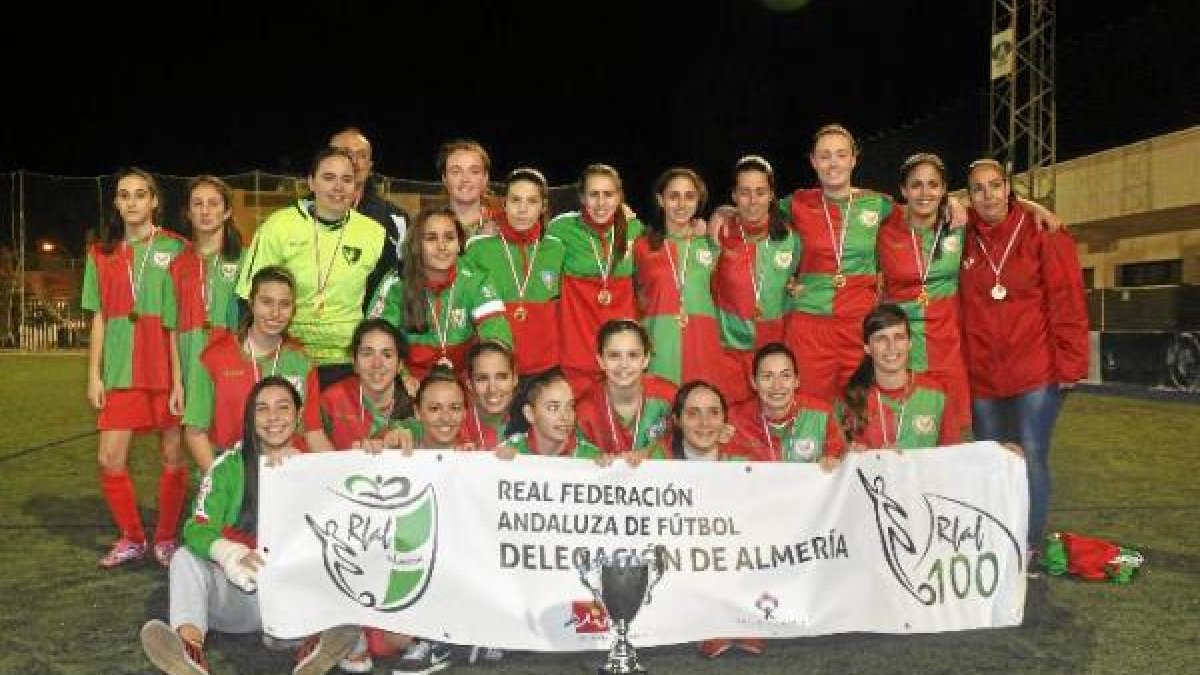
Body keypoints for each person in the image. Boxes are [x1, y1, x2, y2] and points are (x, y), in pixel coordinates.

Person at [139, 376, 360, 675]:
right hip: (238, 595)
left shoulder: (315, 468)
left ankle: (311, 647)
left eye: (283, 407)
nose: (273, 417)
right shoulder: (228, 468)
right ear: (250, 418)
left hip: (289, 601)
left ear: (298, 416)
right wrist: (230, 554)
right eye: (262, 409)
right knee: (184, 558)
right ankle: (189, 651)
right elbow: (195, 529)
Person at [960, 158, 1088, 568]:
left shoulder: (1042, 231)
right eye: (978, 189)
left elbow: (1067, 298)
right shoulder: (961, 235)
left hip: (1035, 370)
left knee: (1031, 457)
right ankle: (999, 539)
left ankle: (1029, 546)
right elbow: (919, 204)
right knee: (992, 461)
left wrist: (1071, 365)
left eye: (995, 185)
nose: (988, 195)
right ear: (968, 196)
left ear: (1009, 189)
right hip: (983, 376)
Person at [83, 167, 190, 568]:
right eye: (124, 195)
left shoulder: (177, 248)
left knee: (173, 454)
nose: (132, 202)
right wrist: (94, 375)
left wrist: (181, 380)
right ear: (116, 203)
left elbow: (181, 317)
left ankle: (165, 538)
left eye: (140, 194)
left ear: (154, 201)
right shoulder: (100, 254)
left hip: (165, 368)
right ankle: (132, 537)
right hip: (121, 371)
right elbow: (98, 318)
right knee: (109, 458)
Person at [237, 148, 386, 388]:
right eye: (329, 178)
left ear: (356, 186)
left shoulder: (374, 234)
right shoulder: (278, 227)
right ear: (311, 182)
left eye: (347, 179)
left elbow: (383, 301)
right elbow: (248, 298)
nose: (338, 187)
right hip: (287, 355)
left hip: (347, 360)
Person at [184, 266, 332, 471]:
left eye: (284, 304)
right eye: (266, 302)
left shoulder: (301, 362)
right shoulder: (214, 357)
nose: (275, 313)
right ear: (251, 303)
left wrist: (336, 472)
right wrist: (220, 478)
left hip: (287, 465)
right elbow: (195, 432)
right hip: (232, 466)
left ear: (293, 310)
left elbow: (313, 432)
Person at [876, 153, 971, 430]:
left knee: (950, 438)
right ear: (903, 190)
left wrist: (1040, 210)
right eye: (916, 185)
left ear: (944, 190)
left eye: (933, 185)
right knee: (905, 435)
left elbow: (1003, 205)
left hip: (947, 349)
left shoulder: (959, 225)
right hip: (901, 352)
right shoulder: (884, 229)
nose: (925, 193)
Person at [367, 206, 512, 379]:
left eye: (449, 238)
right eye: (431, 238)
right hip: (410, 380)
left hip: (461, 381)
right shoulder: (396, 283)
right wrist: (404, 378)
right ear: (417, 245)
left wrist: (488, 369)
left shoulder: (475, 278)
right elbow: (375, 340)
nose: (442, 246)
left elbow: (496, 332)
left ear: (459, 244)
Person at [634, 167, 741, 392]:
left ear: (698, 201)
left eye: (689, 196)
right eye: (674, 196)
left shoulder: (711, 243)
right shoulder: (642, 246)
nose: (681, 204)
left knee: (700, 402)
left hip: (702, 340)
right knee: (661, 404)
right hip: (659, 341)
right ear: (660, 200)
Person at [548, 164, 646, 393]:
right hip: (578, 348)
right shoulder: (561, 228)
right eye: (594, 194)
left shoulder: (634, 228)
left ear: (619, 197)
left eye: (608, 194)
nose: (601, 203)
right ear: (582, 197)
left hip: (622, 350)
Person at [711, 156, 799, 404]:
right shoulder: (718, 234)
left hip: (776, 354)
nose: (752, 201)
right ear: (734, 195)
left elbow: (803, 281)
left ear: (771, 195)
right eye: (744, 192)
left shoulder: (792, 239)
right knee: (734, 420)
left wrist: (797, 288)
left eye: (760, 192)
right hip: (730, 353)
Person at [463, 167, 565, 375]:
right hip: (495, 368)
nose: (522, 209)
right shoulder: (478, 249)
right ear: (505, 203)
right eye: (515, 200)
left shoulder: (557, 249)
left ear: (543, 206)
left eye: (532, 201)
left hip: (547, 367)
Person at [171, 176, 244, 433]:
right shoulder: (177, 264)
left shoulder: (245, 260)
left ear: (227, 212)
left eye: (213, 203)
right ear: (188, 213)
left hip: (234, 361)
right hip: (192, 360)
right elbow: (173, 328)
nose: (205, 211)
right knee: (197, 434)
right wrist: (177, 382)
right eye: (197, 204)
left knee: (235, 438)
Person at [842, 304, 964, 450]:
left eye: (899, 337)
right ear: (867, 348)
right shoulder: (853, 397)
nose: (891, 347)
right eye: (881, 339)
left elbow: (953, 455)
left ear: (909, 343)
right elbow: (836, 457)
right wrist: (852, 454)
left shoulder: (935, 394)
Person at [724, 343, 845, 470]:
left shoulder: (822, 414)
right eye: (767, 376)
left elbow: (841, 461)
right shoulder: (734, 420)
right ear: (754, 382)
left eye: (785, 376)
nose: (777, 386)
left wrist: (835, 462)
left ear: (796, 381)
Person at [329, 127, 411, 305]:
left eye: (362, 155)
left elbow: (405, 277)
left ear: (370, 165)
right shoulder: (298, 217)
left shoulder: (396, 219)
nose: (354, 162)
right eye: (346, 153)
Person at [574, 320, 675, 457]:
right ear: (601, 361)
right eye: (614, 355)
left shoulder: (670, 397)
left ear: (646, 359)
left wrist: (652, 454)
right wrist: (595, 460)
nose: (623, 364)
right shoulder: (584, 411)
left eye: (633, 355)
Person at [319, 318, 417, 452]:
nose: (377, 364)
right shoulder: (332, 400)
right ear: (354, 362)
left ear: (400, 365)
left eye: (387, 355)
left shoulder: (415, 403)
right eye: (367, 354)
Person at [495, 368, 605, 459]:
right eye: (553, 408)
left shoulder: (591, 458)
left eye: (570, 406)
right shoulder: (509, 451)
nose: (565, 416)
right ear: (529, 414)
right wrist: (499, 464)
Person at [438, 138, 501, 238]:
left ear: (485, 178)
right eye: (456, 172)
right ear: (444, 179)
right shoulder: (427, 224)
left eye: (474, 172)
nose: (465, 179)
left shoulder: (502, 226)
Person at [462, 341, 519, 450]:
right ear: (470, 384)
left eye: (501, 377)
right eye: (482, 378)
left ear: (515, 379)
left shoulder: (531, 421)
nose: (492, 389)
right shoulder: (456, 424)